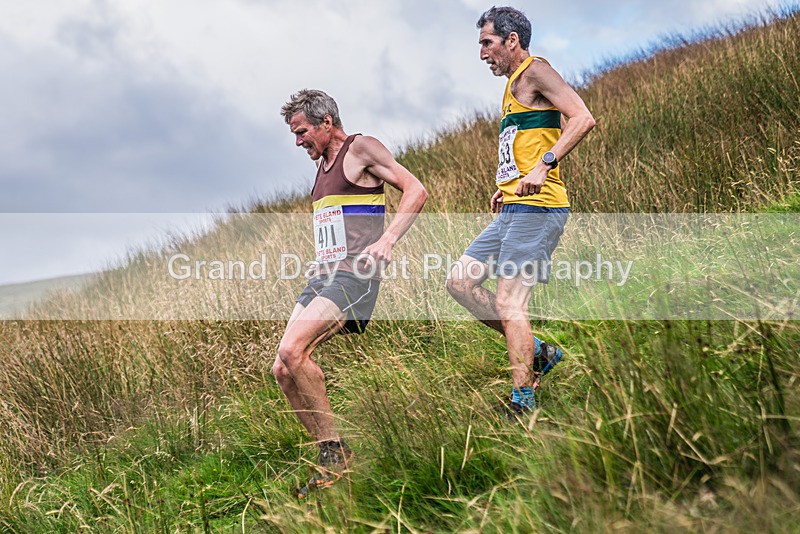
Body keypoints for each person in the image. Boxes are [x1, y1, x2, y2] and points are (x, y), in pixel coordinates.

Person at [276, 89, 427, 497]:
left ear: (326, 122)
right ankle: (330, 454)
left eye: (302, 131)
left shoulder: (361, 149)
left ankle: (337, 456)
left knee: (294, 352)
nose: (298, 141)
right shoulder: (322, 165)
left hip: (356, 277)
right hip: (325, 275)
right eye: (294, 134)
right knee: (281, 368)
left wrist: (389, 240)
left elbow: (415, 190)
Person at [446, 7, 595, 418]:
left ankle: (522, 402)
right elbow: (525, 141)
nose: (482, 53)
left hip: (539, 207)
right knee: (459, 283)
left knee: (511, 303)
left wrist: (544, 165)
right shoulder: (514, 83)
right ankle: (539, 353)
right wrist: (506, 184)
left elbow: (582, 118)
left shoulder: (535, 70)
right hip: (513, 207)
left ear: (512, 40)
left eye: (487, 43)